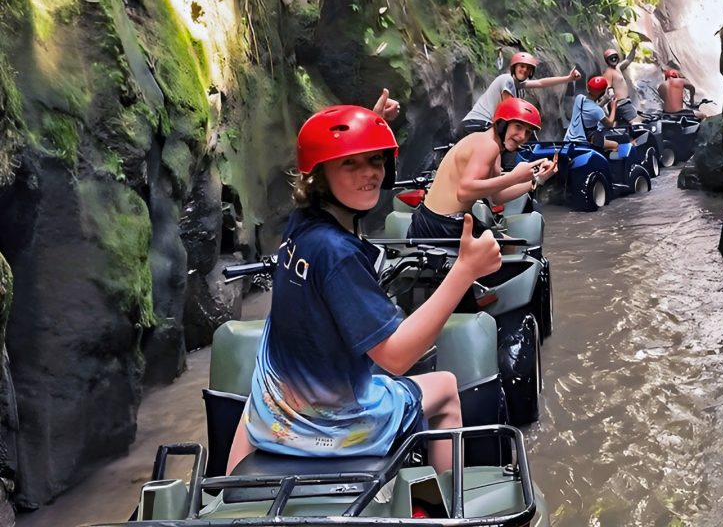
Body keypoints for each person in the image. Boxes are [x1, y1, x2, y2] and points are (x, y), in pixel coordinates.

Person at [226, 106, 502, 475]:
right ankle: (445, 505)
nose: (369, 173)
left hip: (275, 411)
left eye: (375, 160)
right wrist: (465, 270)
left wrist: (357, 136)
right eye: (350, 164)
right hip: (335, 428)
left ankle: (222, 493)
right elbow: (397, 357)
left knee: (260, 386)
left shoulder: (301, 225)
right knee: (447, 387)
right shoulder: (338, 255)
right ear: (320, 174)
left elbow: (332, 164)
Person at [410, 98, 558, 239]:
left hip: (435, 221)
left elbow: (496, 197)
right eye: (518, 127)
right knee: (508, 248)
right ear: (502, 124)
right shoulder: (488, 145)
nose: (521, 136)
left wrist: (537, 179)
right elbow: (465, 192)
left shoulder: (493, 147)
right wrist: (515, 177)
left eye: (527, 132)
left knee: (509, 244)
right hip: (441, 226)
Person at [457, 52, 581, 139]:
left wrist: (568, 79)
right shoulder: (507, 80)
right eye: (522, 66)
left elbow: (541, 82)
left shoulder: (518, 85)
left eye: (528, 68)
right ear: (514, 67)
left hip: (479, 126)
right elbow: (510, 112)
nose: (525, 70)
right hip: (478, 124)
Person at [563, 76, 621, 152]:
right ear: (603, 92)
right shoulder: (597, 111)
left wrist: (605, 100)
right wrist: (614, 107)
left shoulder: (579, 98)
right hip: (583, 143)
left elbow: (591, 110)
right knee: (615, 145)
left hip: (568, 141)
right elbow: (609, 125)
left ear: (588, 88)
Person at [601, 46, 640, 125]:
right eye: (611, 58)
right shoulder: (608, 72)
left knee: (623, 128)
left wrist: (634, 48)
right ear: (607, 60)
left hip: (621, 104)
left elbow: (628, 60)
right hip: (621, 104)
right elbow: (608, 86)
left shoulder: (617, 68)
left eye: (615, 57)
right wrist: (611, 93)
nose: (613, 59)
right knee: (637, 125)